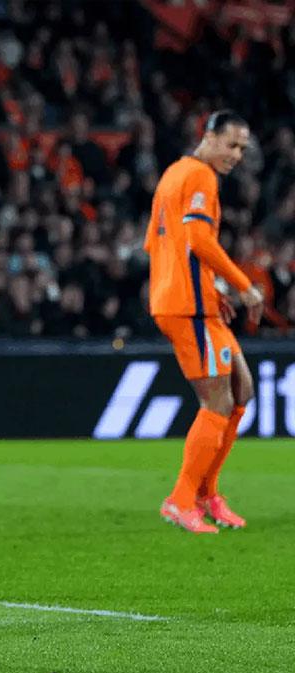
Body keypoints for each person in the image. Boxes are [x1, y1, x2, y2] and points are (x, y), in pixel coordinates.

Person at [144, 110, 264, 534]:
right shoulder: (200, 176)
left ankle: (207, 494)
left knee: (242, 388)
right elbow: (197, 239)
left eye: (242, 149)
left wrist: (211, 290)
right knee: (217, 402)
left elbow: (158, 243)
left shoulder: (173, 174)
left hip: (194, 300)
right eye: (231, 145)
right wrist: (243, 285)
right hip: (186, 306)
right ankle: (182, 500)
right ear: (208, 136)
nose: (236, 155)